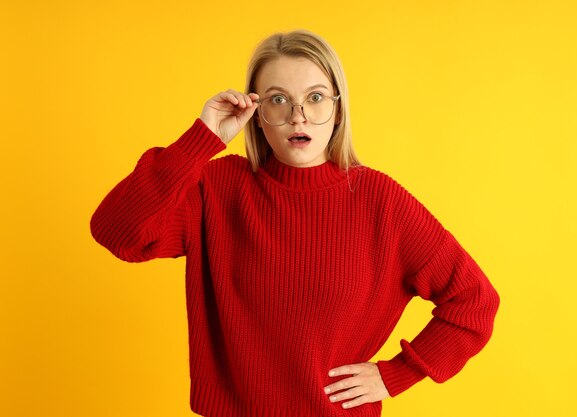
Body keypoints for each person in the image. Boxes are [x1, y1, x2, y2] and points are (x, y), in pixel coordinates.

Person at [90, 29, 500, 417]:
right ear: (257, 112)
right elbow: (117, 231)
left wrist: (396, 375)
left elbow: (474, 301)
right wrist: (202, 137)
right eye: (278, 100)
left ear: (338, 109)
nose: (298, 116)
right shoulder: (216, 189)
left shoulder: (381, 201)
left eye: (316, 97)